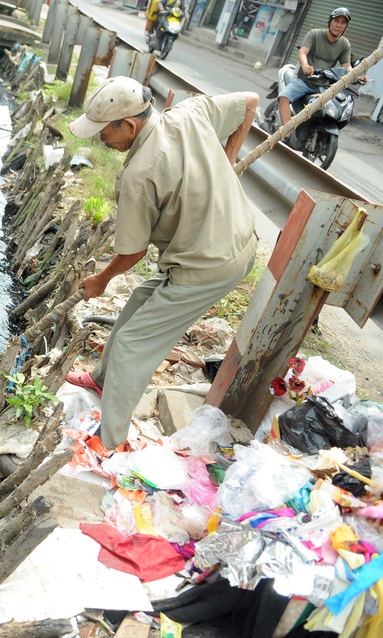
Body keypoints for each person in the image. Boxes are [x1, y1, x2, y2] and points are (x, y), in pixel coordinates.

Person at [65, 76, 259, 449]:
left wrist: (101, 281)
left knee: (131, 346)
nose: (99, 139)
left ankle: (110, 443)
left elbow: (133, 252)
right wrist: (228, 158)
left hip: (207, 267)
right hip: (231, 243)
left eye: (103, 132)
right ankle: (101, 380)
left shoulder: (139, 175)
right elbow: (249, 101)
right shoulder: (190, 113)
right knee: (137, 304)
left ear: (130, 125)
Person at [278, 7, 354, 126]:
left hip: (324, 85)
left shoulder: (344, 44)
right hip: (304, 80)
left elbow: (346, 66)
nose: (338, 25)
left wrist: (356, 75)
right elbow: (302, 52)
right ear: (330, 21)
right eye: (336, 21)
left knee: (324, 109)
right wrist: (305, 65)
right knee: (283, 98)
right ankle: (285, 136)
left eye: (343, 22)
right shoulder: (315, 34)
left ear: (346, 26)